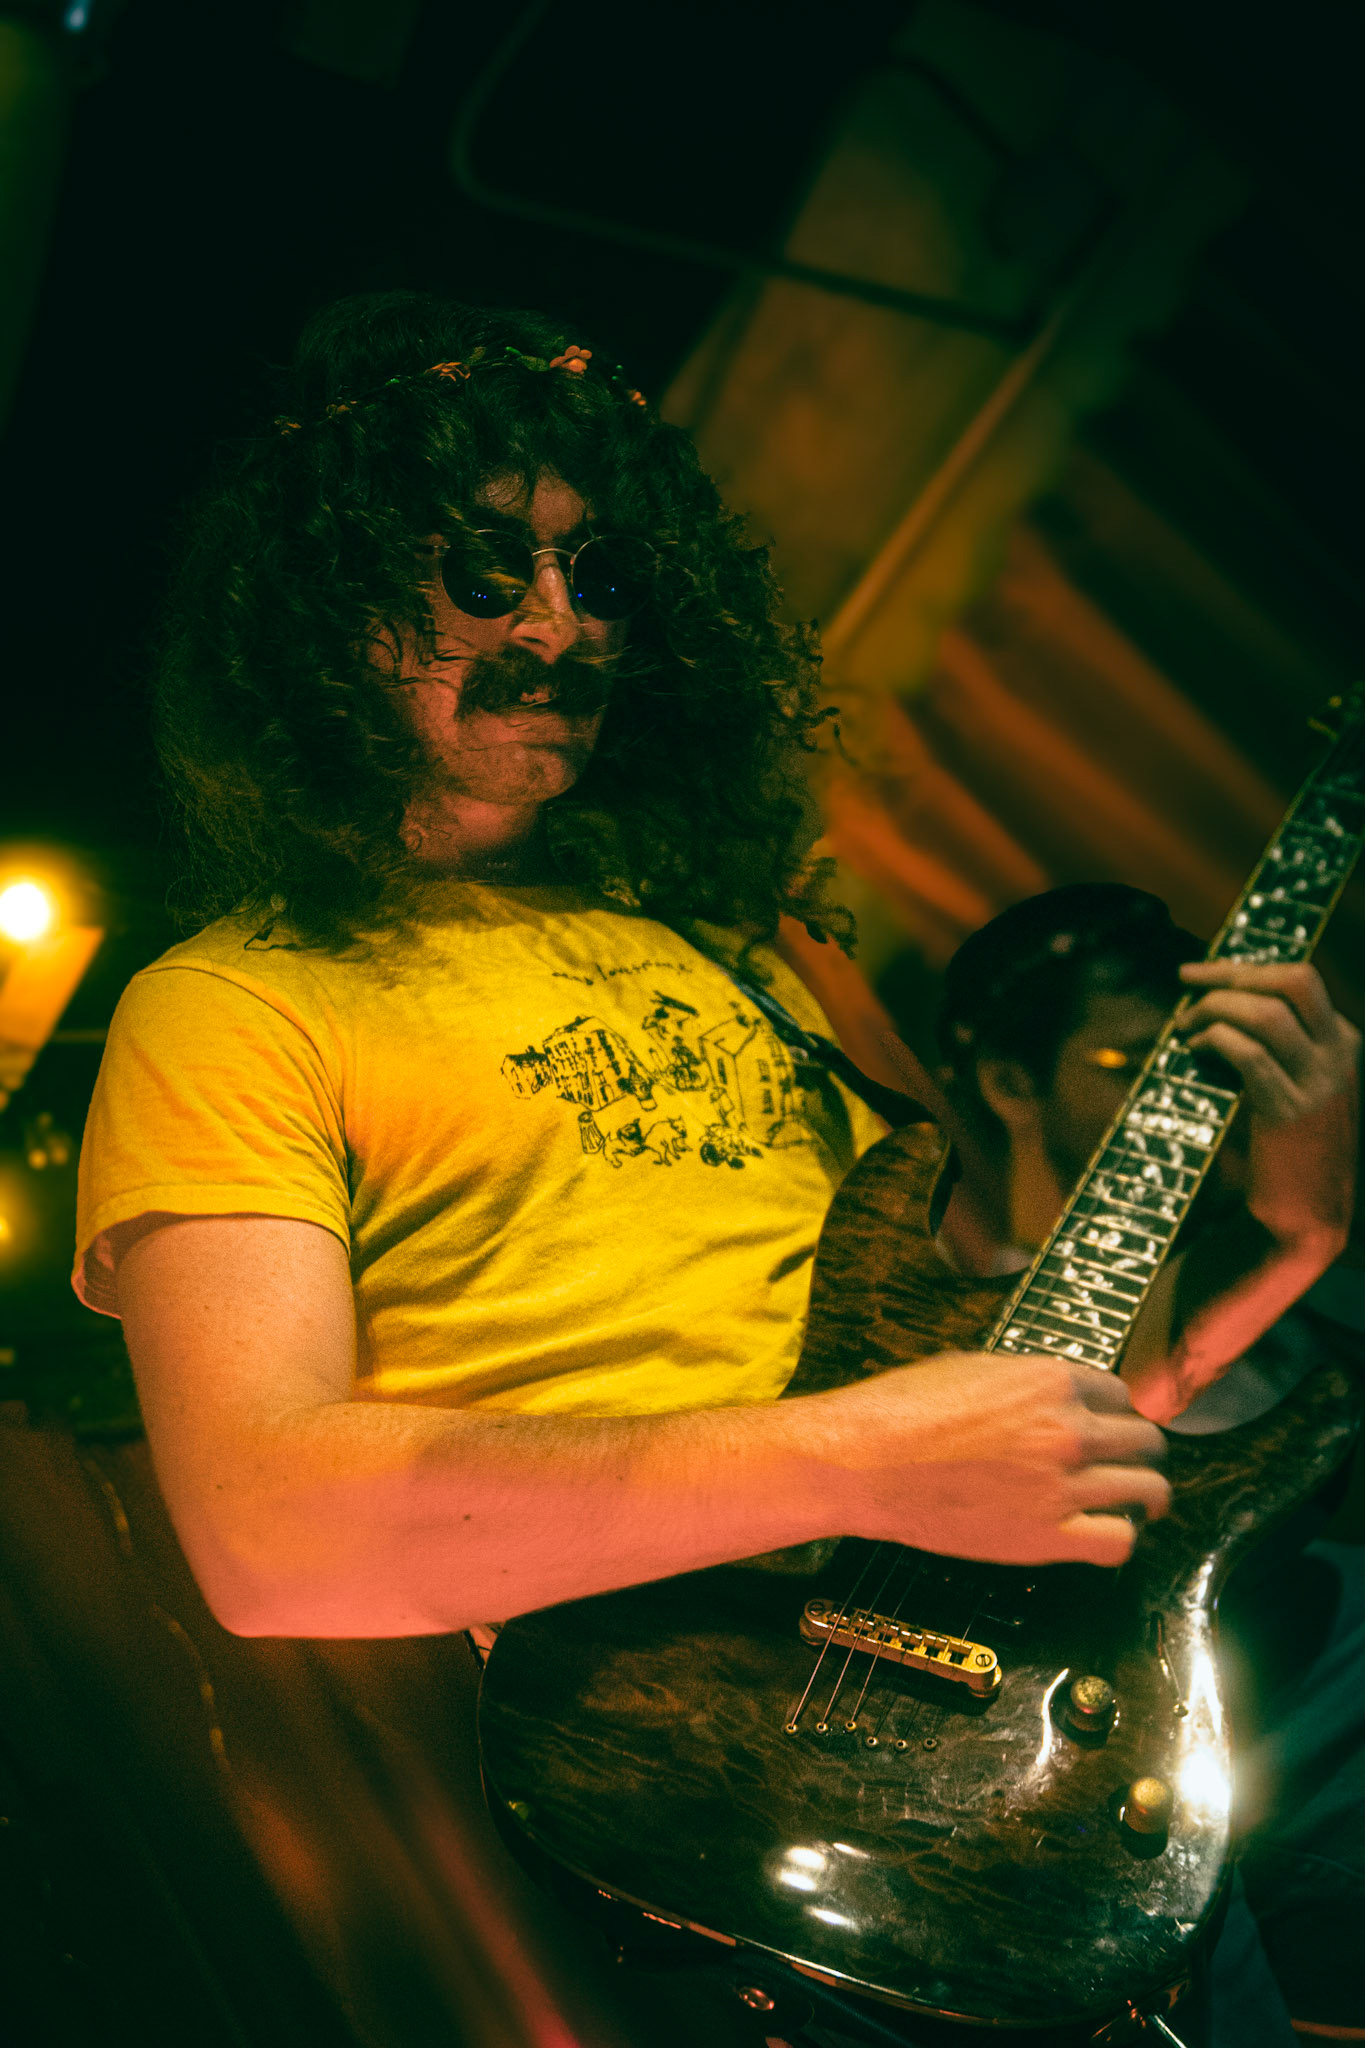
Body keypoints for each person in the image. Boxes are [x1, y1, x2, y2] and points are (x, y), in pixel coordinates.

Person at [70, 293, 1355, 2038]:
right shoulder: (231, 1001)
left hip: (1059, 1707)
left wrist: (1283, 1236)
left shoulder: (746, 953)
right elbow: (269, 1531)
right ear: (331, 604)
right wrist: (856, 1462)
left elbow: (1023, 1388)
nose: (560, 626)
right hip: (735, 1785)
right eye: (487, 572)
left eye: (600, 577)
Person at [926, 884, 1364, 2045]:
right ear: (1010, 1081)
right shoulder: (931, 1285)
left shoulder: (1315, 1310)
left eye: (1205, 1073)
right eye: (1129, 1066)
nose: (1184, 1112)